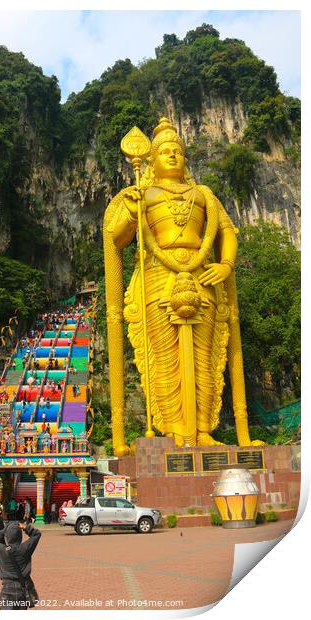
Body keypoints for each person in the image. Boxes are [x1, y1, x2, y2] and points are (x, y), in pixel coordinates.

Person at [104, 116, 260, 450]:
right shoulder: (143, 194)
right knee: (163, 357)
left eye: (177, 150)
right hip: (158, 276)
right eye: (165, 152)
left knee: (204, 357)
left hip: (202, 273)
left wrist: (226, 265)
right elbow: (117, 239)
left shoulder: (203, 195)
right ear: (152, 161)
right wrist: (132, 212)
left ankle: (203, 430)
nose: (173, 155)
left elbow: (227, 232)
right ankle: (175, 430)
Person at [0, 521, 41, 610]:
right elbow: (37, 534)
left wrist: (3, 530)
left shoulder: (2, 549)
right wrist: (25, 527)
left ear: (7, 536)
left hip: (8, 587)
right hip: (23, 587)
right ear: (19, 536)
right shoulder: (25, 548)